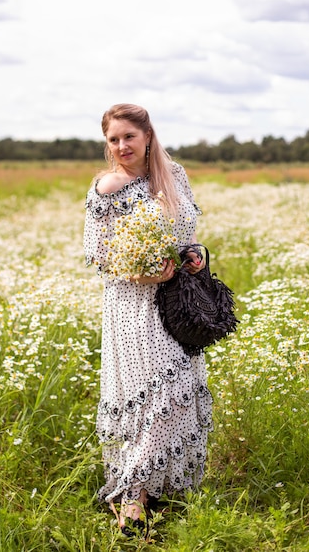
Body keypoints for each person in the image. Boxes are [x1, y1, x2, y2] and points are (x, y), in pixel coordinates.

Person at [83, 103, 213, 537]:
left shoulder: (173, 176)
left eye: (128, 137)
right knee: (153, 397)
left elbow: (189, 231)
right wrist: (140, 271)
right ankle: (133, 499)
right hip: (131, 306)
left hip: (176, 302)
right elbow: (97, 255)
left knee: (179, 390)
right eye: (113, 139)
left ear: (148, 136)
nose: (121, 146)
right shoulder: (106, 188)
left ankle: (157, 486)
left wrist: (195, 256)